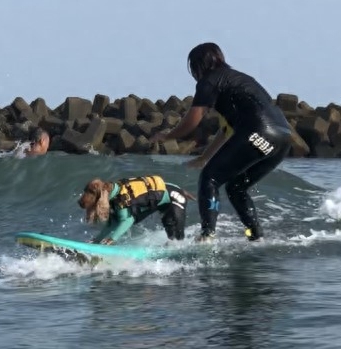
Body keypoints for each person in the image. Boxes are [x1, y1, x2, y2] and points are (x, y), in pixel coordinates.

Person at [150, 42, 291, 242]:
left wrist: (167, 135)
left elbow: (193, 120)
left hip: (258, 130)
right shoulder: (240, 79)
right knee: (236, 188)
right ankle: (256, 236)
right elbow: (226, 130)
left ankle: (207, 235)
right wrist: (205, 157)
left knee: (211, 179)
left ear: (197, 66)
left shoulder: (209, 81)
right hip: (283, 139)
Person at [78, 175, 192, 244]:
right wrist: (97, 240)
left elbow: (127, 220)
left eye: (90, 193)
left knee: (177, 239)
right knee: (171, 235)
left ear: (101, 195)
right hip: (165, 195)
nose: (85, 197)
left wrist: (112, 239)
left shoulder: (122, 200)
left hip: (176, 197)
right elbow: (112, 223)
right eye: (86, 192)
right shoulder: (114, 198)